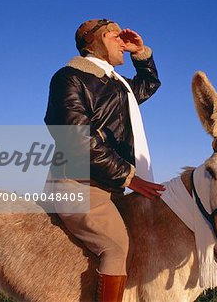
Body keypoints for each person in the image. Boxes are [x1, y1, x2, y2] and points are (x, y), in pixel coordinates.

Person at [44, 18, 164, 302]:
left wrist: (141, 54)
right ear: (93, 42)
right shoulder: (69, 77)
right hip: (76, 183)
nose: (122, 41)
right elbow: (75, 138)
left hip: (106, 184)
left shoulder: (118, 85)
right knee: (116, 247)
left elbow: (147, 86)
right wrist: (128, 175)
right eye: (114, 35)